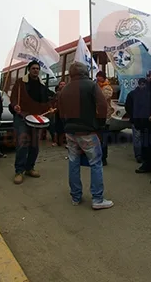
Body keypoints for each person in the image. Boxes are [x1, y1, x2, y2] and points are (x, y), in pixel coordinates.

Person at [57, 62, 113, 210]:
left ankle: (75, 197)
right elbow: (102, 106)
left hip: (70, 131)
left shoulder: (65, 89)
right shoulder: (91, 85)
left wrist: (66, 125)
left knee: (73, 162)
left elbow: (61, 111)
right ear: (85, 72)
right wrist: (99, 125)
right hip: (88, 131)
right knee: (95, 162)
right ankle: (97, 199)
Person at [9, 61, 53, 184]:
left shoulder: (42, 85)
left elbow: (45, 102)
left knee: (34, 145)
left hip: (35, 119)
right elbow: (13, 99)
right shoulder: (20, 83)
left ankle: (30, 168)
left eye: (37, 69)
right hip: (22, 118)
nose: (36, 70)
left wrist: (49, 108)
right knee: (22, 144)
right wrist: (15, 106)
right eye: (33, 68)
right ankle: (19, 171)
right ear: (29, 69)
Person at [126, 70, 151, 175]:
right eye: (148, 76)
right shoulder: (143, 90)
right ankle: (146, 165)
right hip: (145, 124)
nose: (150, 78)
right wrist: (137, 121)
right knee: (146, 147)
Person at [96, 71, 114, 166]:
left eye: (99, 77)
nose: (98, 78)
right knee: (97, 138)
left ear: (103, 77)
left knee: (103, 138)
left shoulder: (107, 87)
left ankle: (103, 158)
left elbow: (103, 97)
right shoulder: (96, 86)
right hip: (97, 116)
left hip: (105, 116)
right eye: (97, 77)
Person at [50, 80, 67, 147]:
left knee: (64, 128)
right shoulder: (57, 94)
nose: (62, 86)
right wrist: (53, 108)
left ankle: (62, 142)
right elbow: (53, 102)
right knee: (57, 128)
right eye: (61, 84)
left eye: (64, 84)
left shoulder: (68, 93)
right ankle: (57, 142)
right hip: (57, 113)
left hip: (65, 113)